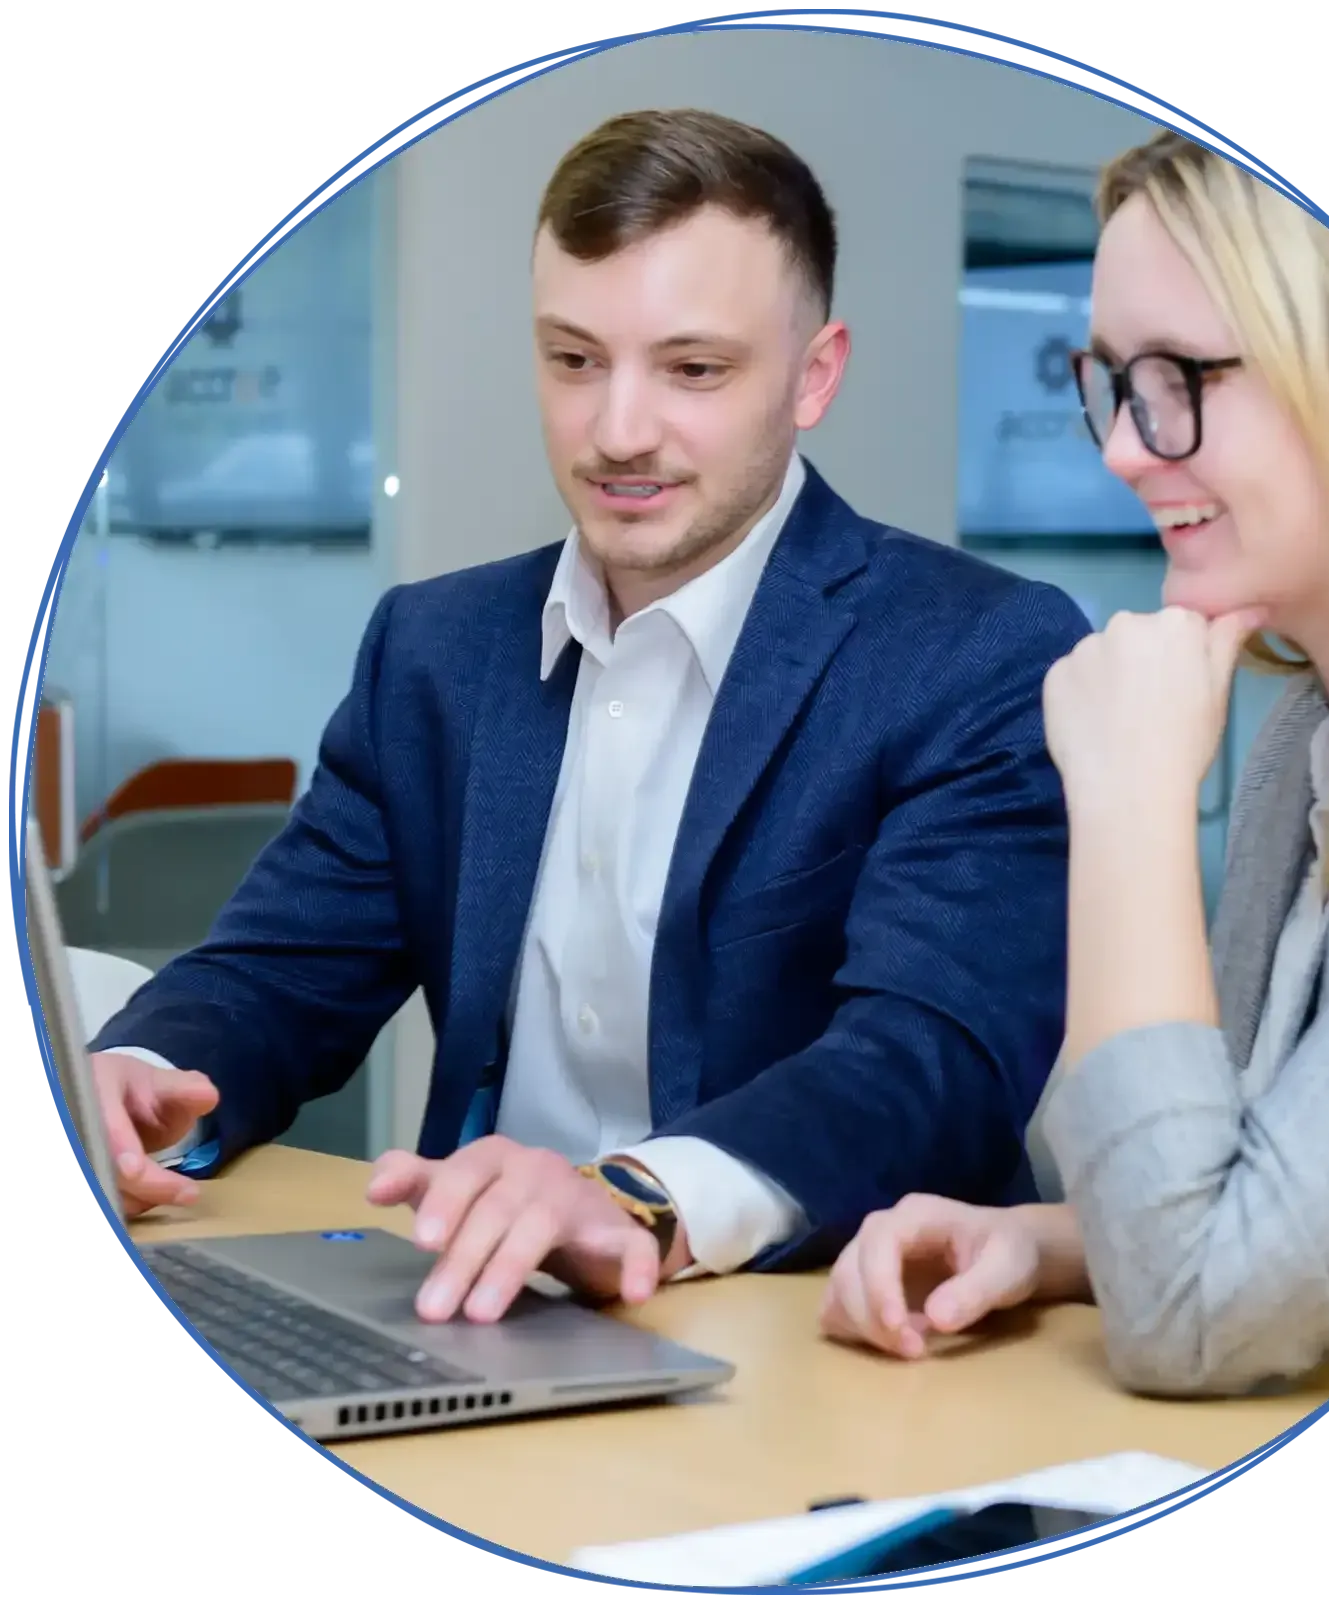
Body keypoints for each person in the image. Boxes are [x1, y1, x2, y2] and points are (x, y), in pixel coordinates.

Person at [86, 108, 1089, 1324]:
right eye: (573, 361)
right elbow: (277, 972)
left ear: (813, 375)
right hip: (480, 1310)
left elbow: (929, 1061)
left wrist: (634, 1197)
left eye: (693, 370)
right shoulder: (436, 649)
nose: (618, 431)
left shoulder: (976, 651)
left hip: (821, 1342)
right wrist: (131, 1079)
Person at [820, 130, 1329, 1397]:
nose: (1122, 446)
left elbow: (1195, 1314)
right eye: (1111, 380)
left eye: (1176, 376)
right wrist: (1053, 1243)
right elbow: (1267, 1197)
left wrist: (1127, 802)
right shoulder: (1313, 732)